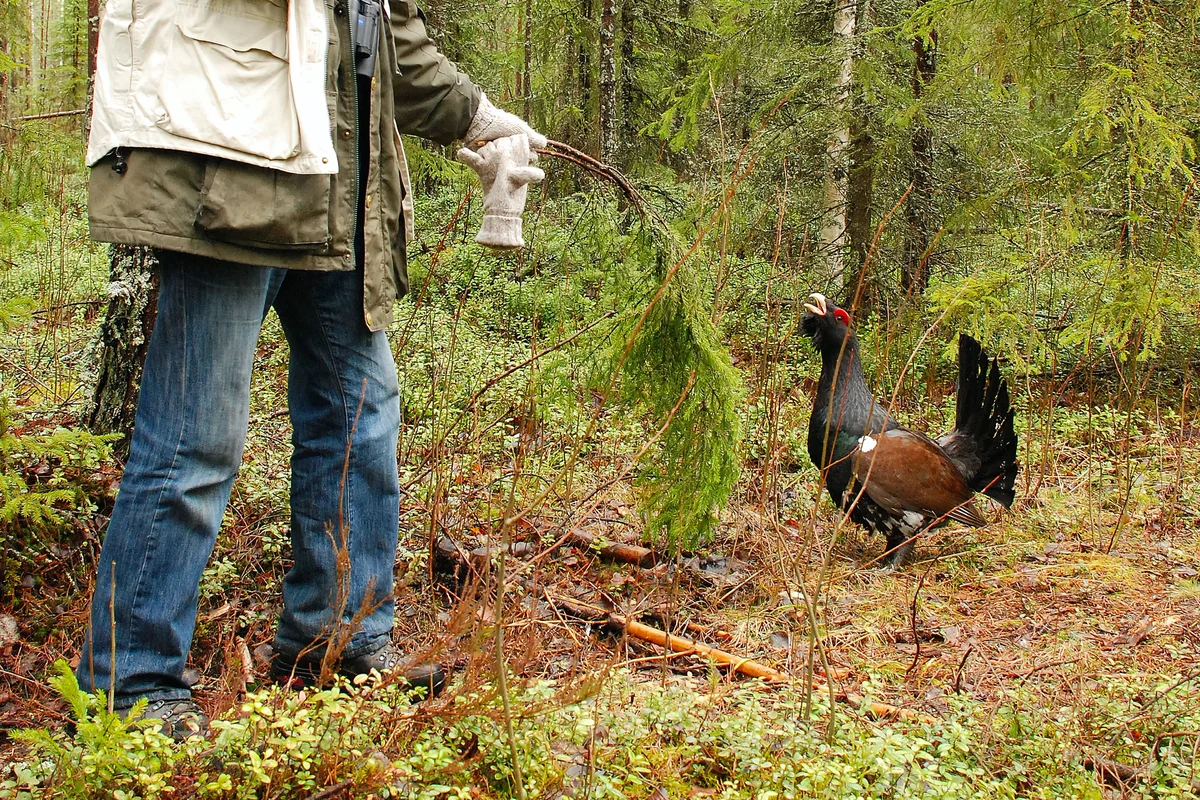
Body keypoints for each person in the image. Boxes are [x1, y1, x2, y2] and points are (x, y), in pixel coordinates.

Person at [77, 0, 545, 740]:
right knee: (194, 438)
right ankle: (129, 685)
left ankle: (339, 644)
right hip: (224, 165)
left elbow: (385, 35)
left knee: (362, 417)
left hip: (338, 185)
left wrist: (479, 117)